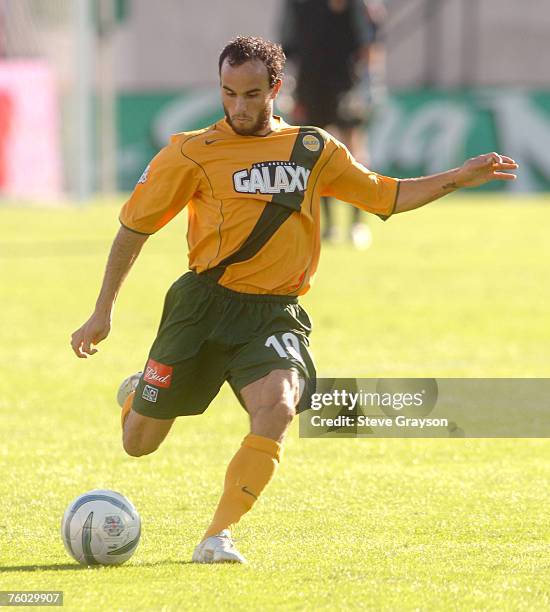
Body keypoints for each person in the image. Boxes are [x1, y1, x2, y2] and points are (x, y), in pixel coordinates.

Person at [70, 36, 518, 564]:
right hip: (201, 307)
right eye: (229, 93)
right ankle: (138, 392)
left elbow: (385, 195)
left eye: (252, 94)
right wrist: (104, 311)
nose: (239, 106)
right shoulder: (191, 151)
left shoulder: (312, 149)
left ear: (276, 89)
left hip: (273, 313)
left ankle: (217, 536)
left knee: (280, 407)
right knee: (138, 443)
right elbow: (133, 229)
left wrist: (457, 178)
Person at [280, 0, 386, 248]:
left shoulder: (355, 4)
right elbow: (287, 44)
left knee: (353, 152)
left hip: (346, 83)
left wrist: (368, 85)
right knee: (315, 155)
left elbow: (369, 42)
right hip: (309, 86)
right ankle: (328, 225)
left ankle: (358, 223)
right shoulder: (296, 5)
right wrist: (288, 86)